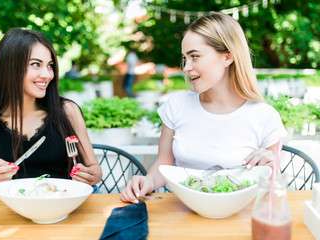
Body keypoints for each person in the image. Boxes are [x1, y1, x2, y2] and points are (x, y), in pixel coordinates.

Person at [120, 12, 287, 203]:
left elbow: (275, 191)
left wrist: (273, 168)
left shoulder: (264, 116)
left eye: (195, 57)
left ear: (227, 57)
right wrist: (147, 181)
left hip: (238, 219)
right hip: (183, 215)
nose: (186, 67)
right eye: (185, 58)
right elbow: (163, 163)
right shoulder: (176, 106)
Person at [0, 28, 102, 197]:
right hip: (16, 215)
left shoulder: (67, 111)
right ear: (10, 67)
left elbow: (95, 169)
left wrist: (91, 175)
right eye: (36, 64)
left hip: (67, 208)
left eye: (50, 65)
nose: (46, 74)